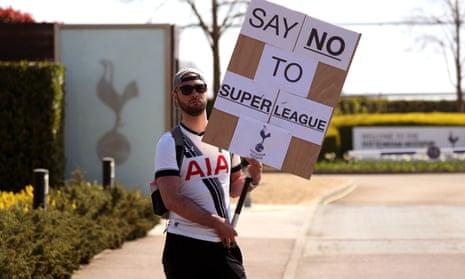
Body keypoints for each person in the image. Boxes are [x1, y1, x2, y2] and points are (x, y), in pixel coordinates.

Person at [152, 68, 263, 279]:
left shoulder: (225, 138)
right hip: (185, 247)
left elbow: (235, 185)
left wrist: (254, 179)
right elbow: (172, 200)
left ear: (206, 91)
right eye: (186, 89)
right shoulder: (169, 143)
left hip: (223, 244)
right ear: (176, 97)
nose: (194, 93)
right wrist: (216, 223)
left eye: (199, 87)